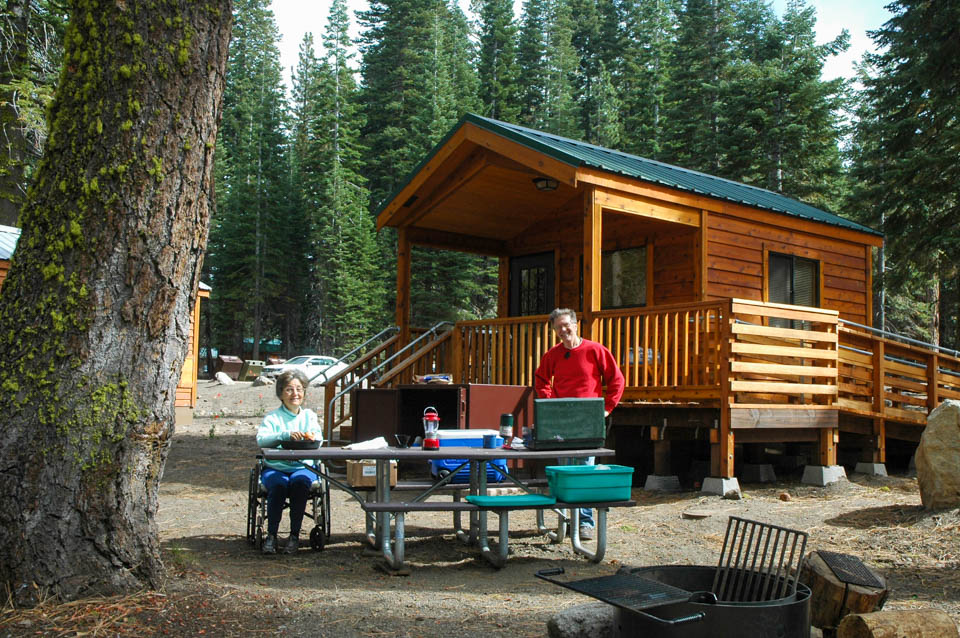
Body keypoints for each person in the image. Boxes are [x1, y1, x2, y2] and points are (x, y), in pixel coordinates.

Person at [534, 308, 625, 541]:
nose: (563, 330)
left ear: (575, 325)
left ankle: (585, 523)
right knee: (563, 469)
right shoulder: (552, 355)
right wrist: (551, 403)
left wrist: (607, 408)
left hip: (588, 419)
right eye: (558, 327)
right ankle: (563, 521)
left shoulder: (595, 350)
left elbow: (616, 379)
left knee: (584, 468)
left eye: (566, 325)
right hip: (561, 419)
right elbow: (541, 380)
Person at [256, 370, 323, 555]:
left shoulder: (309, 416)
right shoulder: (273, 418)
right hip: (276, 467)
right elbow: (262, 441)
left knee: (300, 483)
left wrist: (308, 438)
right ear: (281, 393)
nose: (295, 394)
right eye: (289, 389)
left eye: (299, 389)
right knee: (278, 485)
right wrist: (284, 435)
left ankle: (294, 536)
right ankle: (271, 535)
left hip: (303, 466)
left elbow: (319, 438)